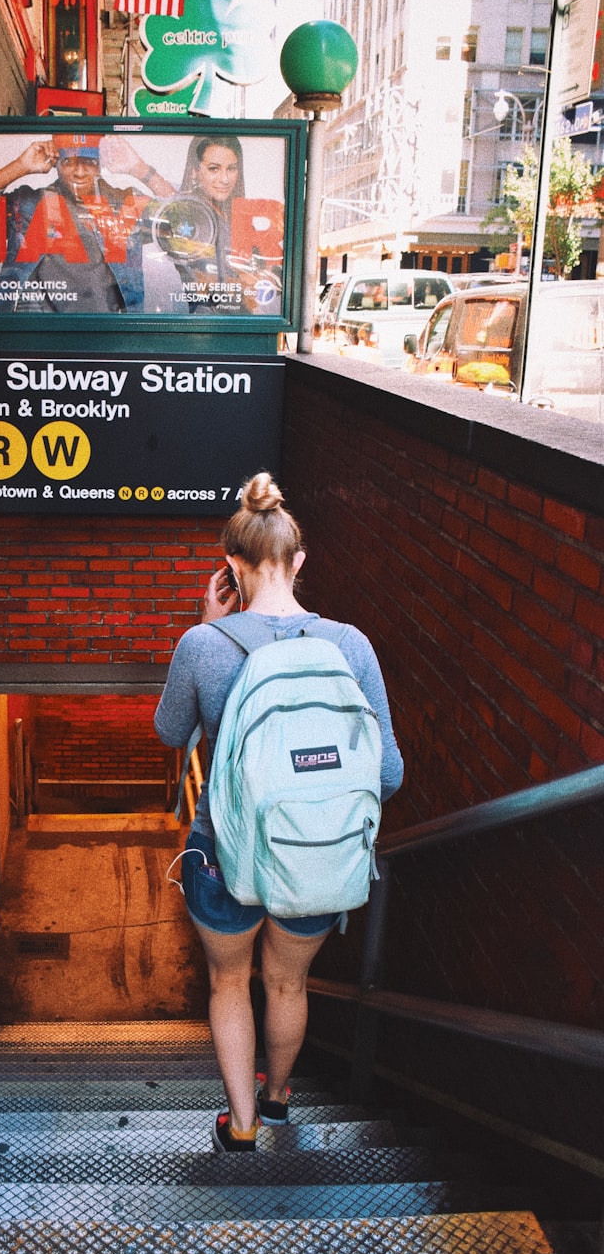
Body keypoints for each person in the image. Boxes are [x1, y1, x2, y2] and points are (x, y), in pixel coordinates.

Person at [154, 472, 403, 1152]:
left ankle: (240, 1126)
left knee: (230, 981)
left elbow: (171, 733)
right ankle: (280, 1097)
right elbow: (388, 773)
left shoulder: (202, 645)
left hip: (223, 856)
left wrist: (208, 632)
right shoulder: (350, 646)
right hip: (316, 856)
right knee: (288, 985)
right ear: (298, 562)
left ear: (229, 566)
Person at [0, 133, 175, 313]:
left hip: (110, 337)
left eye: (88, 162)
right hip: (37, 340)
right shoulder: (29, 203)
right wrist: (20, 167)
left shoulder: (126, 203)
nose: (79, 173)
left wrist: (139, 169)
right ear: (56, 164)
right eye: (68, 161)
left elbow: (187, 224)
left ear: (100, 165)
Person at [167, 135, 283, 315]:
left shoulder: (234, 215)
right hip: (204, 325)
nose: (225, 179)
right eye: (214, 169)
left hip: (241, 324)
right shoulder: (192, 213)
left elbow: (266, 270)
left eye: (231, 169)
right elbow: (202, 280)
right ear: (195, 171)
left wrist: (264, 275)